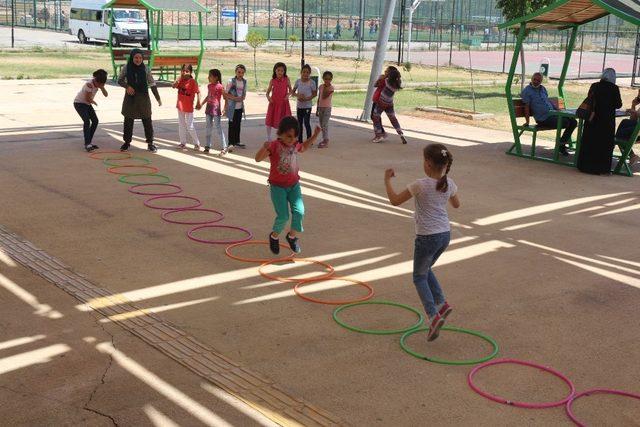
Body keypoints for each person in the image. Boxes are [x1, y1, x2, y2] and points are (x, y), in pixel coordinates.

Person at [384, 143, 460, 341]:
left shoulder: (420, 185)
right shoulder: (449, 183)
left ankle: (433, 316)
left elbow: (394, 200)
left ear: (427, 163)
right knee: (426, 269)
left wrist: (387, 181)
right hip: (445, 235)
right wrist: (446, 197)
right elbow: (457, 204)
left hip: (427, 237)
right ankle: (442, 304)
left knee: (419, 277)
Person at [254, 117, 321, 255]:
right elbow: (257, 159)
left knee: (299, 212)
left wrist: (315, 135)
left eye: (295, 136)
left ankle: (292, 237)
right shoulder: (273, 145)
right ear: (280, 133)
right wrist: (263, 147)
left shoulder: (295, 145)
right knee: (283, 216)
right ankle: (274, 236)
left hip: (294, 185)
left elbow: (304, 147)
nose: (292, 139)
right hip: (278, 187)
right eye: (289, 136)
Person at [577, 68, 623, 175]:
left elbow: (589, 99)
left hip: (592, 119)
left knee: (589, 142)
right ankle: (601, 169)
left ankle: (585, 166)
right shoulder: (614, 88)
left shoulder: (594, 86)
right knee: (603, 145)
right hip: (606, 122)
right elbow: (618, 104)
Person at [521, 72, 576, 156]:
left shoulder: (543, 89)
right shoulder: (527, 91)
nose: (536, 81)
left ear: (541, 81)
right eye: (534, 79)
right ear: (531, 79)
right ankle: (561, 145)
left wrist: (557, 109)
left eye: (538, 80)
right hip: (543, 118)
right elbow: (526, 107)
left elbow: (547, 101)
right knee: (565, 122)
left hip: (553, 114)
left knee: (573, 122)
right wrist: (527, 122)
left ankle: (561, 144)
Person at [118, 49, 161, 153]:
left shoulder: (146, 69)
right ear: (132, 58)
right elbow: (119, 80)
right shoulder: (126, 68)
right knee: (128, 121)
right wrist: (127, 86)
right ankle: (127, 142)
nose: (138, 60)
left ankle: (150, 143)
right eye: (136, 57)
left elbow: (152, 83)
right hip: (130, 98)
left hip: (143, 98)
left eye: (140, 58)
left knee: (147, 120)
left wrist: (158, 98)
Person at [73, 69, 108, 152]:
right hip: (79, 104)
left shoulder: (100, 84)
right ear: (96, 80)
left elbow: (106, 95)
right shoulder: (89, 85)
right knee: (87, 121)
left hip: (87, 104)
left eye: (103, 84)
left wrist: (102, 88)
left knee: (95, 121)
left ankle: (89, 141)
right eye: (100, 84)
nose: (101, 85)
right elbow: (87, 98)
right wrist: (93, 101)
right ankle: (87, 143)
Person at [371, 68, 407, 144]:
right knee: (393, 118)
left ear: (389, 76)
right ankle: (400, 133)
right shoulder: (397, 83)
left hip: (381, 102)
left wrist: (381, 77)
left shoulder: (386, 81)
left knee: (375, 117)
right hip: (389, 103)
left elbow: (376, 84)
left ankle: (378, 135)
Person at [172, 64, 201, 151]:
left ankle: (197, 143)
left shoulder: (192, 82)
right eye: (183, 71)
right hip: (180, 106)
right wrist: (179, 78)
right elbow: (173, 86)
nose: (185, 73)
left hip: (188, 107)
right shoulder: (180, 80)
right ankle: (183, 142)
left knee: (190, 126)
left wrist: (198, 102)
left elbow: (198, 92)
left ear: (190, 72)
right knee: (181, 125)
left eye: (187, 71)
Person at [265, 62, 292, 142]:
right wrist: (269, 98)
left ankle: (282, 136)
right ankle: (269, 137)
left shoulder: (287, 80)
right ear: (275, 71)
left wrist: (287, 95)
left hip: (284, 103)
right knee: (270, 120)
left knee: (284, 120)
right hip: (274, 103)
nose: (280, 72)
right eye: (278, 70)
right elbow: (267, 93)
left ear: (284, 72)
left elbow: (291, 90)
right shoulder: (272, 81)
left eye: (282, 71)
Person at [203, 69, 227, 156]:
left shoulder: (220, 86)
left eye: (210, 76)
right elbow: (208, 96)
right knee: (208, 127)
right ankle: (207, 145)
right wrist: (201, 104)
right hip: (208, 109)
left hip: (216, 109)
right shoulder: (209, 86)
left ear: (216, 77)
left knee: (218, 127)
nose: (208, 77)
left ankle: (224, 147)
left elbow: (225, 97)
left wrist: (224, 108)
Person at [292, 64, 317, 144]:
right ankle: (299, 140)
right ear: (301, 72)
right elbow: (293, 92)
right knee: (299, 124)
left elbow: (314, 94)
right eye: (304, 72)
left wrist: (307, 99)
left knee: (306, 122)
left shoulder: (312, 82)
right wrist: (298, 95)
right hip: (299, 106)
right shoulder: (298, 81)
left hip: (307, 106)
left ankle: (309, 140)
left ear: (310, 74)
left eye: (307, 72)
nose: (305, 74)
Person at [615, 88, 640, 166]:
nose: (638, 95)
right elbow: (633, 120)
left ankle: (632, 155)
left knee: (620, 135)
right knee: (625, 122)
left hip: (638, 132)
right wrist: (633, 106)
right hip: (637, 129)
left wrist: (635, 112)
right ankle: (632, 155)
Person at [371, 66, 398, 136]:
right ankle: (382, 132)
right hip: (380, 100)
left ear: (390, 73)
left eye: (387, 71)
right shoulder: (390, 81)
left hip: (379, 100)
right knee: (376, 116)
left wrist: (380, 78)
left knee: (374, 116)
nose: (385, 71)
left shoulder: (386, 80)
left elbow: (375, 85)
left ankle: (380, 133)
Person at [226, 64, 247, 150]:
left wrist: (243, 97)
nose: (240, 74)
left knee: (238, 124)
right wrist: (234, 98)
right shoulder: (231, 81)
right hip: (232, 106)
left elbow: (244, 92)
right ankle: (230, 142)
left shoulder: (244, 81)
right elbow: (225, 93)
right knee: (232, 124)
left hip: (239, 107)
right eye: (239, 72)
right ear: (235, 72)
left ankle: (237, 141)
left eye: (242, 72)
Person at [316, 71, 334, 148]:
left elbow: (324, 96)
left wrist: (326, 87)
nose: (327, 80)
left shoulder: (331, 88)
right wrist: (317, 108)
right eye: (326, 79)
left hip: (327, 108)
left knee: (324, 124)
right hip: (320, 107)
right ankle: (324, 138)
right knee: (321, 124)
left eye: (329, 79)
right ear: (323, 78)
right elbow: (319, 97)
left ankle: (326, 139)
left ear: (331, 79)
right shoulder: (320, 87)